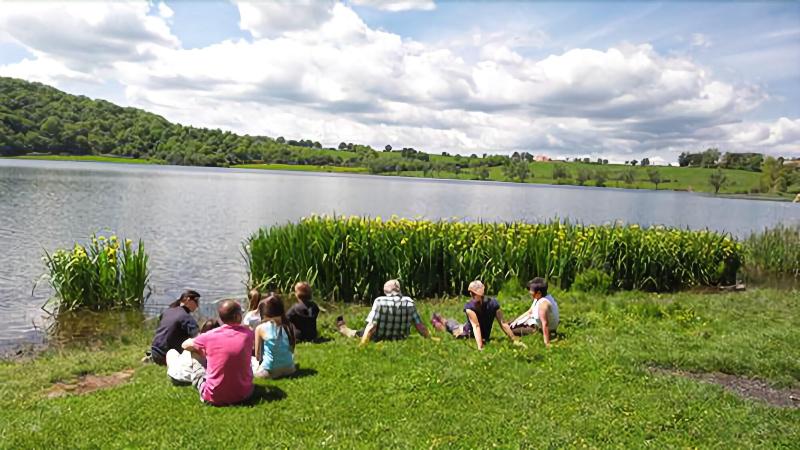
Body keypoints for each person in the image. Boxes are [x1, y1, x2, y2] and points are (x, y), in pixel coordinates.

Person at [182, 299, 254, 406]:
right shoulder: (248, 334)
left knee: (194, 352)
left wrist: (201, 350)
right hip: (244, 394)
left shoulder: (209, 336)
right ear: (237, 316)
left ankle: (199, 378)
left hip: (213, 397)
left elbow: (184, 345)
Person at [431, 280, 525, 350]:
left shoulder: (492, 304)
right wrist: (480, 346)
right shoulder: (471, 307)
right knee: (452, 326)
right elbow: (476, 326)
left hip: (471, 333)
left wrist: (514, 339)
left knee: (454, 327)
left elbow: (502, 323)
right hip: (467, 332)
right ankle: (439, 319)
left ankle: (440, 320)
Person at [337, 279, 431, 345]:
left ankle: (344, 329)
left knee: (356, 333)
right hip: (400, 338)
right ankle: (346, 330)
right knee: (361, 331)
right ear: (399, 290)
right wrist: (430, 338)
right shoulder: (409, 302)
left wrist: (363, 344)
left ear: (385, 291)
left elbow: (372, 326)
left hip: (378, 337)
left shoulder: (380, 301)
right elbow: (420, 326)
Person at [144, 290, 201, 365]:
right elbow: (199, 339)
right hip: (166, 356)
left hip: (154, 350)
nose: (197, 305)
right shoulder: (186, 317)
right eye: (196, 301)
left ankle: (151, 358)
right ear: (188, 300)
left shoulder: (168, 311)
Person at [254, 294, 297, 379]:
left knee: (251, 363)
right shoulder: (289, 326)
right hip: (290, 369)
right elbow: (292, 349)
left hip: (270, 372)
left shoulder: (260, 328)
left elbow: (257, 356)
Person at [165, 319, 219, 385]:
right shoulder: (218, 348)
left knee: (171, 352)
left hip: (176, 377)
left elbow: (184, 345)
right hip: (195, 378)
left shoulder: (195, 341)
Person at [509, 277, 560, 347]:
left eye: (531, 291)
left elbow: (545, 323)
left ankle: (536, 333)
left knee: (510, 330)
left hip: (539, 328)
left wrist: (547, 343)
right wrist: (516, 320)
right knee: (510, 323)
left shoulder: (543, 304)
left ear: (538, 293)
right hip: (534, 322)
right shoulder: (539, 297)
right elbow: (530, 311)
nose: (529, 292)